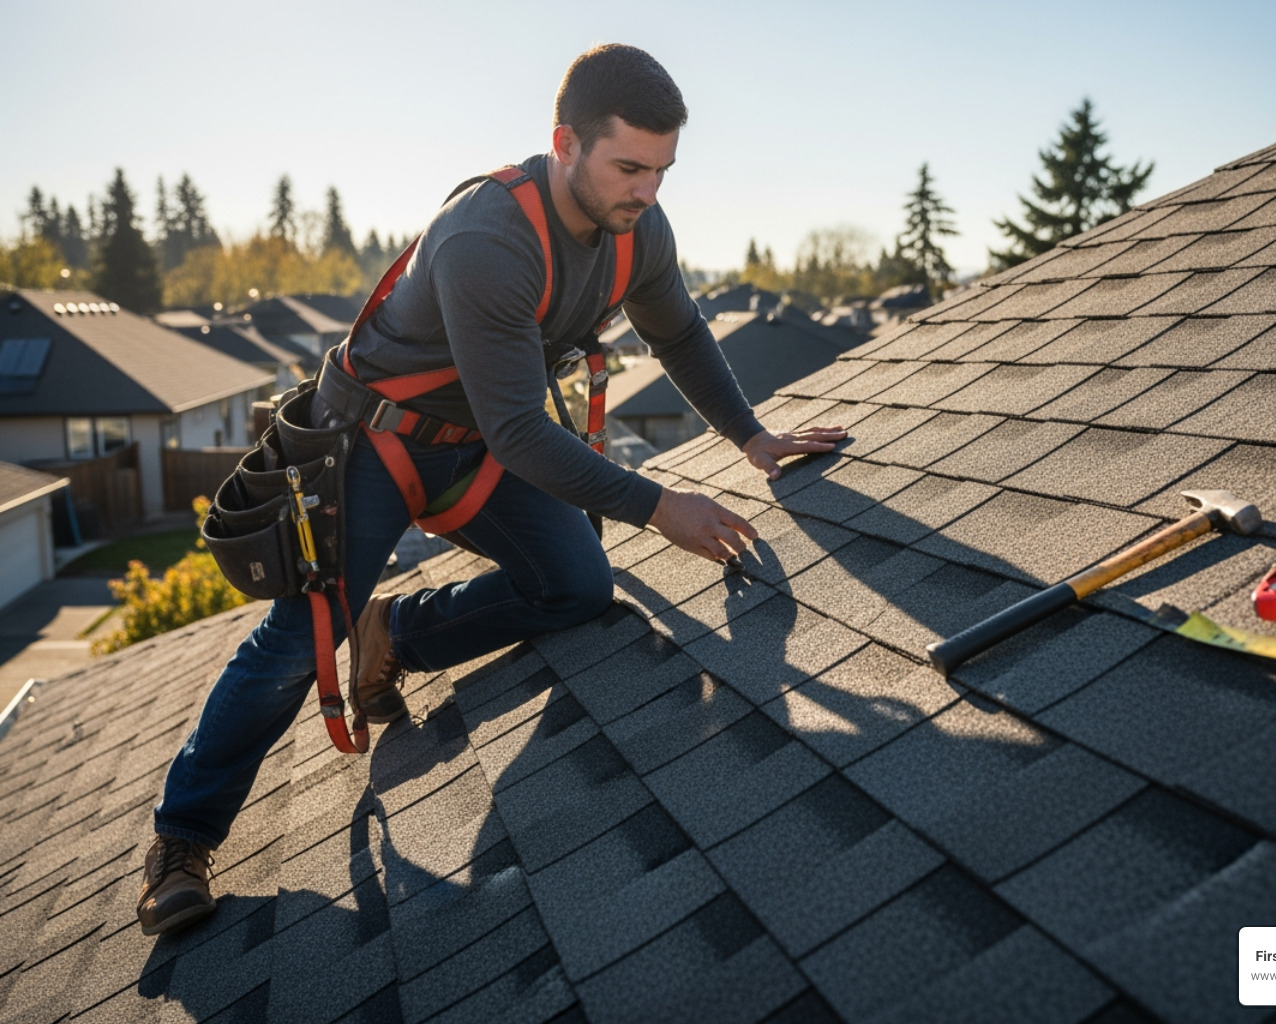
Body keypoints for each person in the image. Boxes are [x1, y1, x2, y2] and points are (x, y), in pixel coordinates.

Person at [137, 43, 846, 936]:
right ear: (565, 144)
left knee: (580, 586)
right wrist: (661, 506)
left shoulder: (640, 233)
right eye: (629, 167)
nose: (647, 193)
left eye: (663, 172)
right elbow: (521, 430)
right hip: (375, 444)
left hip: (476, 445)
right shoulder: (488, 236)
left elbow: (682, 336)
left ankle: (395, 632)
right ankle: (182, 837)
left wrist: (752, 438)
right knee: (298, 638)